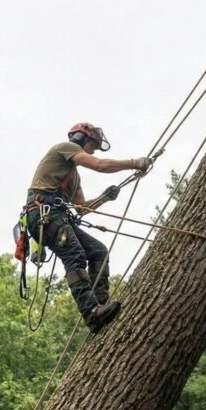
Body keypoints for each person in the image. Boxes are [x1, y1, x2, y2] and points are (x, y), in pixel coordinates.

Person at [24, 122, 151, 333]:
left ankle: (101, 302)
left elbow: (81, 207)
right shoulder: (64, 148)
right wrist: (134, 163)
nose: (93, 150)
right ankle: (91, 312)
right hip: (43, 214)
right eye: (93, 144)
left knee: (98, 251)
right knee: (74, 254)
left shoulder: (73, 175)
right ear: (82, 138)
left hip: (57, 217)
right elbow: (99, 165)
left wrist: (104, 198)